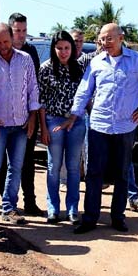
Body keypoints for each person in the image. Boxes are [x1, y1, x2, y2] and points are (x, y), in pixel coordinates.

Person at [63, 23, 138, 234]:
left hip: (125, 126)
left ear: (121, 38)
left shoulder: (137, 61)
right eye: (102, 39)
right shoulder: (96, 62)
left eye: (109, 38)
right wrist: (74, 115)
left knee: (122, 174)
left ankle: (118, 217)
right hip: (99, 126)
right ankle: (90, 218)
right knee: (94, 173)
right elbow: (84, 90)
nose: (105, 42)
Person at [0, 23, 40, 227]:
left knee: (16, 167)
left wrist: (32, 116)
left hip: (21, 124)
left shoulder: (25, 59)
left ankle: (9, 208)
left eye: (6, 41)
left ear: (12, 38)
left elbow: (33, 89)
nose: (3, 46)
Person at [38, 31, 86, 224]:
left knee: (73, 167)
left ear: (72, 48)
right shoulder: (46, 68)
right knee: (54, 166)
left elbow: (85, 95)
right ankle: (53, 208)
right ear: (54, 48)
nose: (63, 52)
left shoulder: (80, 67)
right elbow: (41, 101)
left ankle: (73, 209)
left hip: (76, 122)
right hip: (54, 121)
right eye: (59, 48)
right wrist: (43, 128)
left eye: (67, 48)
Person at [0, 12, 43, 216]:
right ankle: (7, 202)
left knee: (27, 160)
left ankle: (30, 201)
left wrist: (34, 115)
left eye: (24, 30)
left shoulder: (30, 51)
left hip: (26, 118)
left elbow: (35, 86)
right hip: (4, 118)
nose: (21, 35)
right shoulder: (0, 51)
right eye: (17, 30)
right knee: (4, 162)